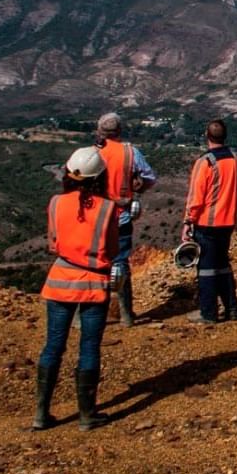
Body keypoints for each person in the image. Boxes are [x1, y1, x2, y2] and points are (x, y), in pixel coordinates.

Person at [34, 146, 121, 432]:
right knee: (89, 347)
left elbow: (53, 244)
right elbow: (111, 248)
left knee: (53, 346)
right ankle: (87, 414)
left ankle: (41, 415)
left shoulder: (55, 203)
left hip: (59, 280)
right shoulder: (108, 208)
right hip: (94, 283)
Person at [94, 112, 157, 327]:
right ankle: (126, 315)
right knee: (120, 262)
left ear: (100, 131)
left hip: (95, 218)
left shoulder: (92, 153)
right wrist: (137, 185)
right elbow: (149, 177)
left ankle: (91, 313)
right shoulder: (130, 153)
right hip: (121, 216)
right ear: (119, 131)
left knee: (93, 263)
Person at [182, 118, 237, 325]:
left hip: (207, 223)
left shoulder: (205, 162)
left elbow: (196, 197)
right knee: (223, 265)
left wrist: (188, 221)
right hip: (228, 221)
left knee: (207, 269)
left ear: (206, 136)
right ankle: (232, 308)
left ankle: (208, 313)